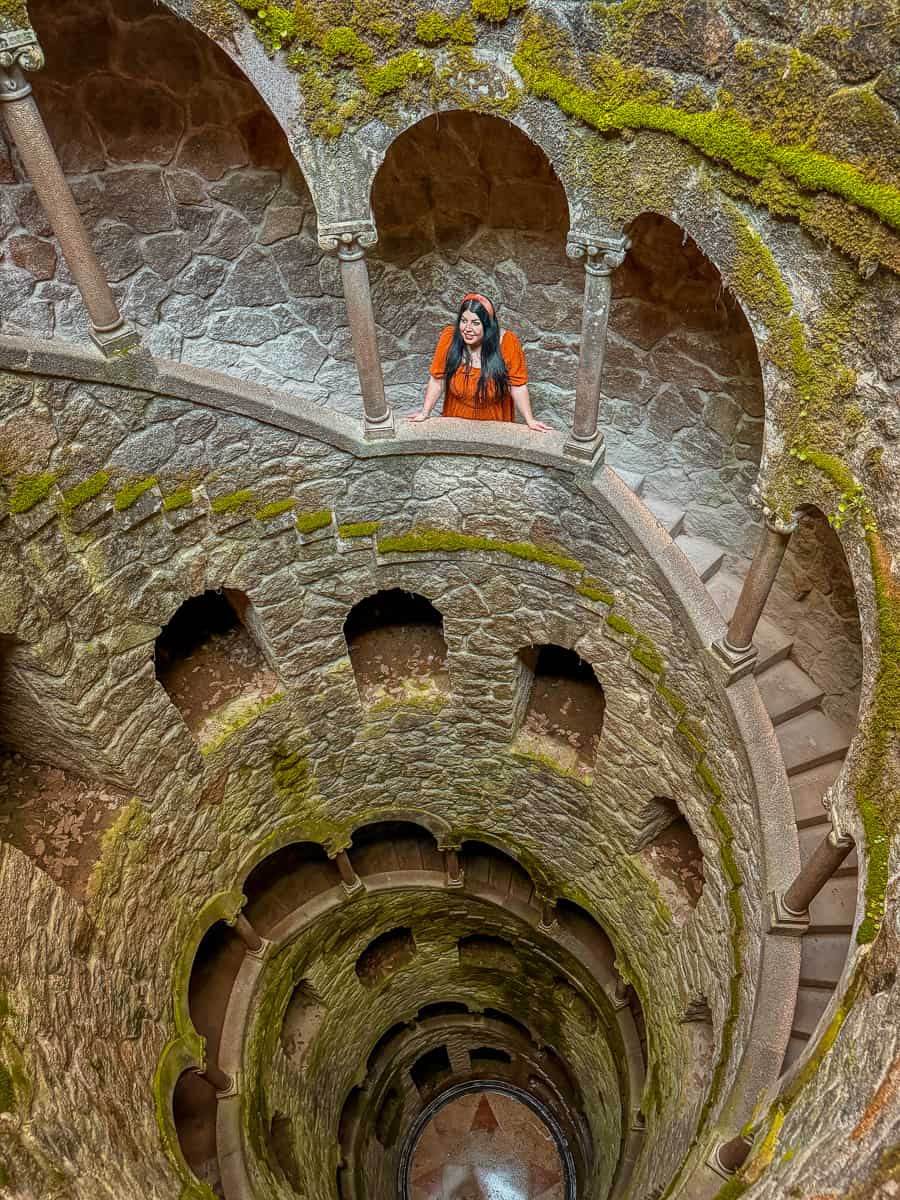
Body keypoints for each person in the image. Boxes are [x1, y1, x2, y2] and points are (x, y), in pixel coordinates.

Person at [408, 294, 551, 431]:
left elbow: (517, 387)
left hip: (494, 421)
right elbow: (437, 381)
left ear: (488, 325)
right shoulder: (449, 339)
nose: (467, 329)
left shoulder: (507, 343)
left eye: (475, 323)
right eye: (464, 321)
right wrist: (425, 413)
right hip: (457, 417)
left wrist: (530, 420)